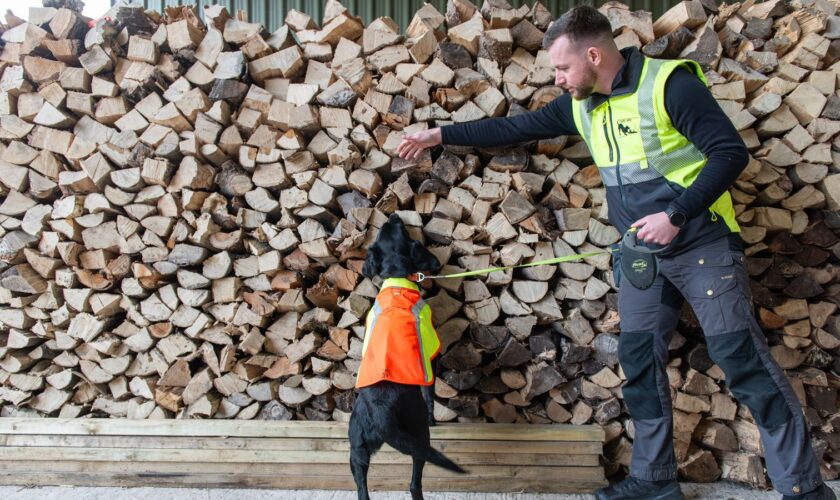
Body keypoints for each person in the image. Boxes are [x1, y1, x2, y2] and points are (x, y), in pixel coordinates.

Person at [396, 6, 834, 500]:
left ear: (593, 54)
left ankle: (803, 488)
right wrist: (438, 134)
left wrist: (677, 215)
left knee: (741, 359)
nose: (558, 79)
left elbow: (730, 152)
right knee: (639, 360)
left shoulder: (669, 85)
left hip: (703, 243)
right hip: (642, 257)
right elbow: (515, 127)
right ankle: (654, 481)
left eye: (562, 68)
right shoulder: (580, 103)